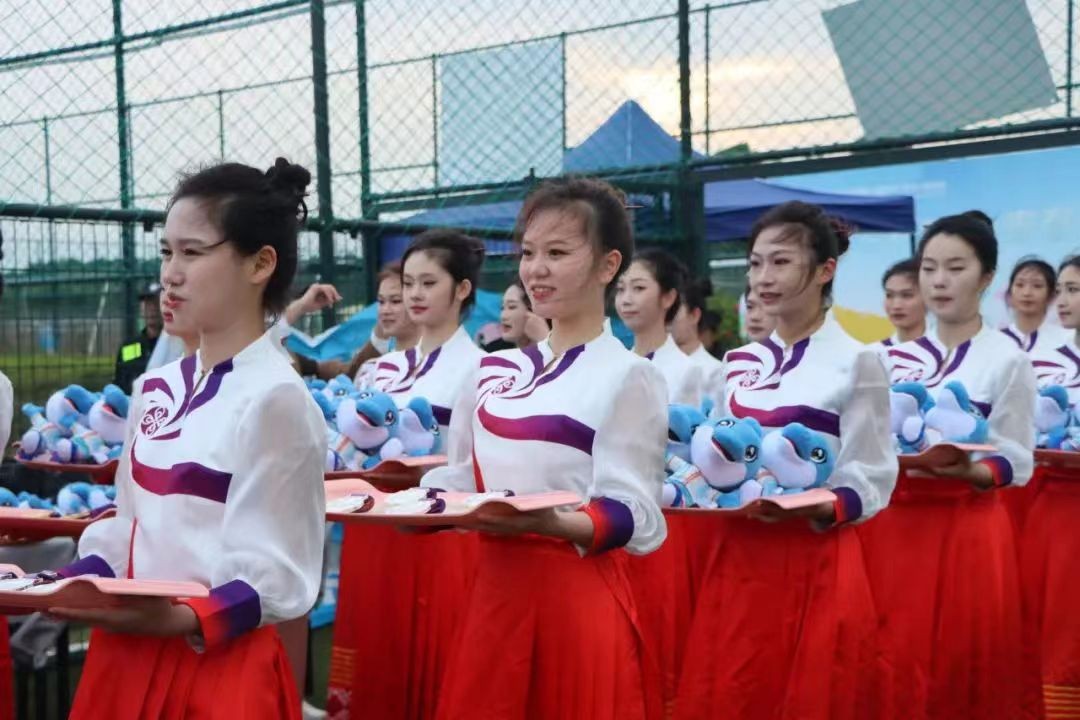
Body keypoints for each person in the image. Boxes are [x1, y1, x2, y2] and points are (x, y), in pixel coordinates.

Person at [48, 158, 327, 720]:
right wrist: (66, 584)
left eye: (192, 253)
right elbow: (128, 524)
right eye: (166, 252)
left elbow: (277, 571)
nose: (170, 275)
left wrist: (181, 617)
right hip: (124, 656)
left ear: (260, 263)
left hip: (217, 672)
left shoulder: (276, 397)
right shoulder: (154, 387)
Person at [419, 176, 667, 720]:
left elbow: (638, 515)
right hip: (493, 596)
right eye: (528, 253)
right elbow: (458, 478)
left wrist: (553, 523)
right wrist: (412, 506)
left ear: (607, 265)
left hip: (574, 601)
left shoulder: (629, 375)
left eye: (557, 253)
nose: (536, 270)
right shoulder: (491, 370)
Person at [675, 201, 896, 720]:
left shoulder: (859, 361)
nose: (762, 278)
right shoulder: (738, 363)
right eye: (755, 263)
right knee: (736, 690)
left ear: (824, 270)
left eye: (780, 262)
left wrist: (819, 504)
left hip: (815, 558)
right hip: (739, 557)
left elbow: (872, 476)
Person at [867, 213, 1040, 719]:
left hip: (966, 529)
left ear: (986, 277)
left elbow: (1015, 460)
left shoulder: (1007, 360)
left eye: (956, 268)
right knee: (891, 655)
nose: (939, 281)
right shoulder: (887, 360)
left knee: (961, 663)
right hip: (893, 529)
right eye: (929, 268)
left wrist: (970, 471)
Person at [327, 229, 487, 720]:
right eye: (409, 283)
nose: (415, 294)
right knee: (376, 642)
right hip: (372, 522)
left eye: (428, 283)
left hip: (437, 528)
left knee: (435, 646)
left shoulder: (483, 369)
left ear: (462, 289)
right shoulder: (381, 370)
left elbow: (471, 462)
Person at [1024, 255, 1080, 713]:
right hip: (1056, 508)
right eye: (1060, 290)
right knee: (1058, 624)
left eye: (1074, 290)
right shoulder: (1041, 363)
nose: (1062, 300)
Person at [616, 248, 704, 406]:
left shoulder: (686, 371)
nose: (626, 300)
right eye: (620, 289)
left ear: (668, 297)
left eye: (639, 288)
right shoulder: (615, 366)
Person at [671, 276, 724, 409]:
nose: (667, 319)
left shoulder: (715, 371)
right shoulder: (652, 364)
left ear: (694, 315)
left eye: (674, 311)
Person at [1002, 256, 1068, 352]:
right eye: (1020, 285)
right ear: (1009, 293)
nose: (1027, 293)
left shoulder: (1066, 340)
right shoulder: (995, 340)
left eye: (1037, 286)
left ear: (1051, 295)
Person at [113, 282, 164, 394]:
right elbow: (119, 383)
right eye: (147, 303)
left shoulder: (175, 344)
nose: (152, 308)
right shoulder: (129, 346)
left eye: (156, 303)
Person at [484, 277, 549, 352]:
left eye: (512, 307)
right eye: (502, 308)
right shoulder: (493, 352)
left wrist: (544, 339)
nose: (503, 316)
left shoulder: (559, 348)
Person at [877, 257, 926, 346]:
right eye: (889, 295)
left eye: (907, 295)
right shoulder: (874, 352)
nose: (896, 306)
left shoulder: (947, 350)